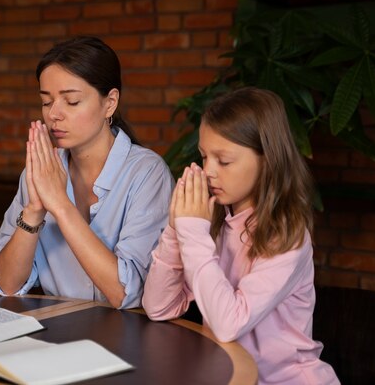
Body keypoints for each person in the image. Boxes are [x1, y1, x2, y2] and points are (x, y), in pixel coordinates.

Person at [142, 88, 339, 384]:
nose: (208, 171)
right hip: (228, 375)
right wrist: (175, 228)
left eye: (224, 161)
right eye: (204, 156)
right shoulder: (214, 220)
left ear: (267, 159)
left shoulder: (288, 235)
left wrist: (193, 233)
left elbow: (228, 324)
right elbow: (159, 307)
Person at [0, 36, 174, 309]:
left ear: (110, 103)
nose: (54, 115)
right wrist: (35, 210)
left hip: (127, 337)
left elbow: (125, 293)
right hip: (57, 331)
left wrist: (59, 205)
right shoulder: (39, 173)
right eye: (47, 102)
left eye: (71, 102)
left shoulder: (147, 174)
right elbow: (8, 285)